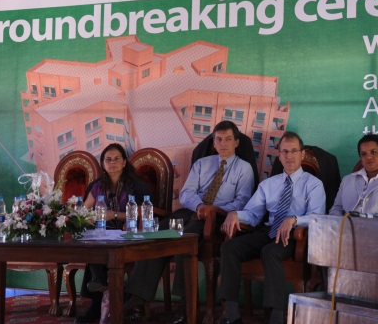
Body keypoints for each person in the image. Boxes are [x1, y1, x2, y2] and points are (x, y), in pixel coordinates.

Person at [122, 120, 255, 321]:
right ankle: (137, 299)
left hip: (218, 218)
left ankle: (185, 305)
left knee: (185, 238)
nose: (223, 144)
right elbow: (186, 193)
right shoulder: (202, 164)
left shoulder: (244, 168)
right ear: (214, 142)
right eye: (219, 139)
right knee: (156, 234)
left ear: (236, 142)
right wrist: (200, 206)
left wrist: (212, 209)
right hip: (193, 211)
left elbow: (242, 202)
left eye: (228, 139)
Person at [218, 131, 326, 324]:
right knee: (229, 247)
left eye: (294, 151)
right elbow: (253, 214)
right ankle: (231, 315)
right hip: (268, 231)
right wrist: (235, 214)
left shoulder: (314, 185)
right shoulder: (269, 184)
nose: (289, 156)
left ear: (302, 154)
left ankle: (276, 317)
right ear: (279, 155)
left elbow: (317, 217)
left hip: (293, 236)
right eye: (284, 152)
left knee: (270, 251)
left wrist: (294, 219)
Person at [76, 143, 152, 323]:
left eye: (117, 159)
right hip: (104, 234)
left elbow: (144, 213)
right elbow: (83, 212)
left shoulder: (137, 186)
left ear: (124, 162)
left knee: (100, 245)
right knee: (91, 235)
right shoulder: (97, 186)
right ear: (103, 163)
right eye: (108, 159)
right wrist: (86, 218)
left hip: (129, 232)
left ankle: (98, 295)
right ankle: (99, 286)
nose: (113, 163)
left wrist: (115, 215)